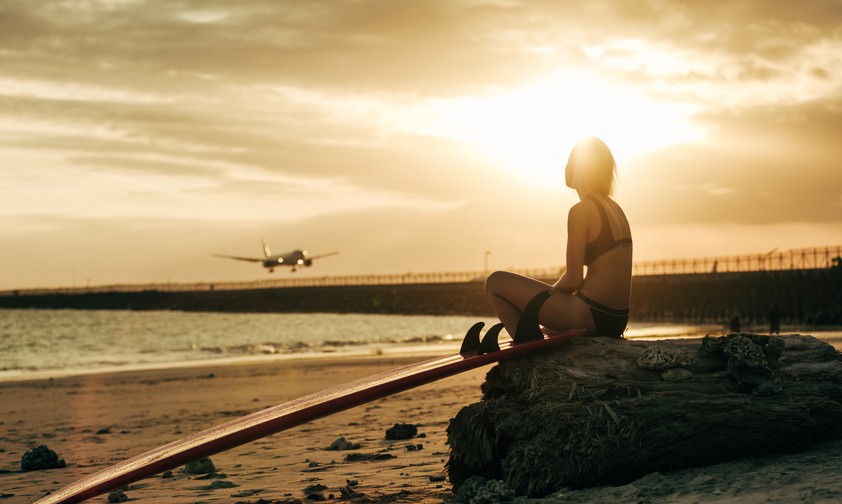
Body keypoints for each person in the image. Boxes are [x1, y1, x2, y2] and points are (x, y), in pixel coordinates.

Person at [485, 137, 633, 338]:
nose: (566, 166)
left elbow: (573, 279)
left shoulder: (582, 211)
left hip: (590, 313)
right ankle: (531, 334)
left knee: (495, 282)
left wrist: (539, 304)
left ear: (580, 168)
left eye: (570, 161)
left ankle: (527, 342)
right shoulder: (616, 210)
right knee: (544, 315)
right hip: (616, 320)